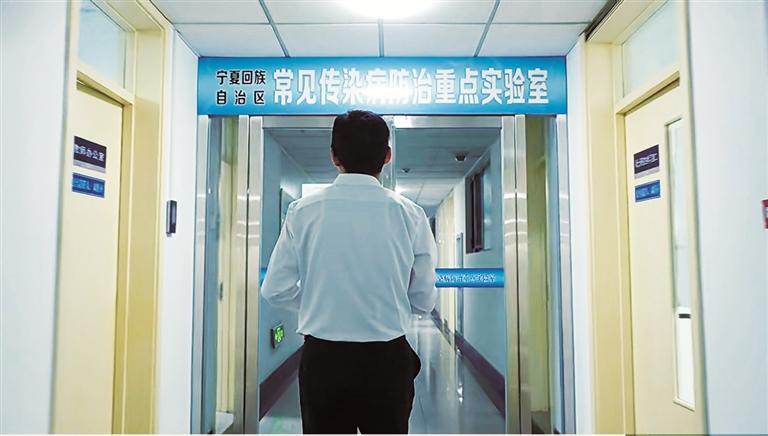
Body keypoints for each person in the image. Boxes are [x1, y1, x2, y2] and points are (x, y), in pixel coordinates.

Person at [261, 109, 437, 434]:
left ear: (334, 156)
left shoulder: (302, 212)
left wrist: (317, 302)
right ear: (387, 156)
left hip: (323, 360)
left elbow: (274, 289)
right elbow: (424, 299)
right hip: (387, 359)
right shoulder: (410, 215)